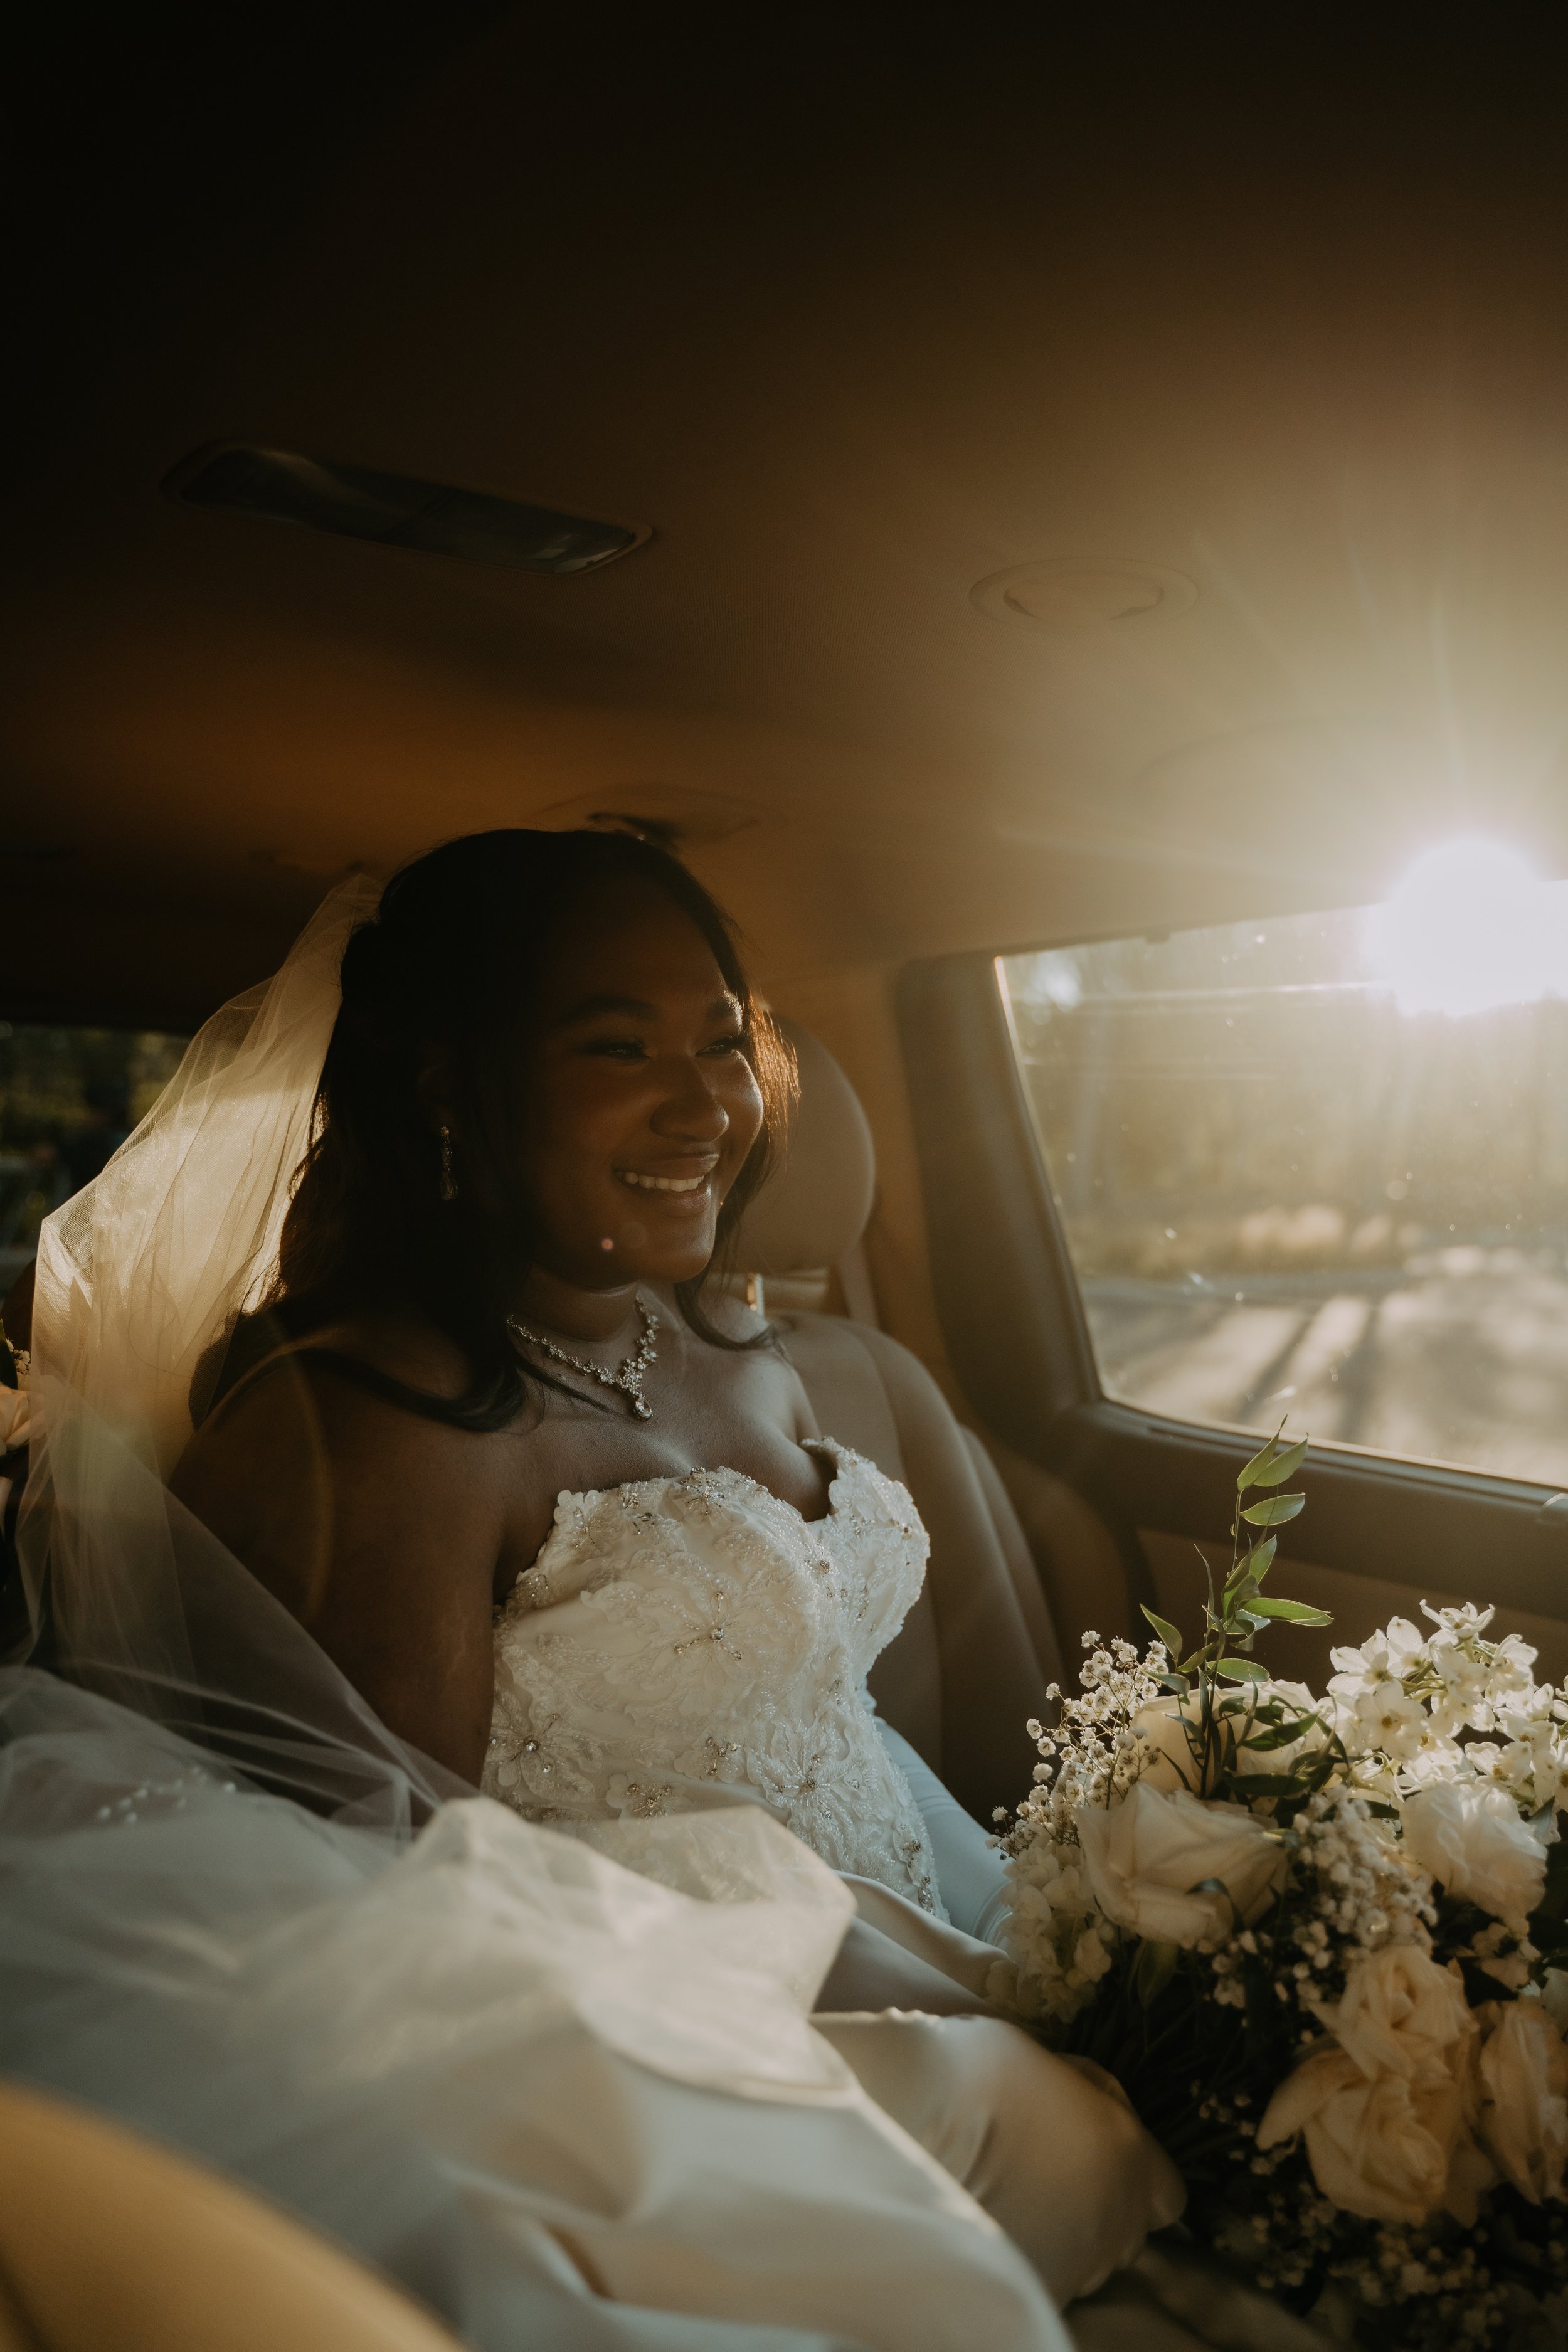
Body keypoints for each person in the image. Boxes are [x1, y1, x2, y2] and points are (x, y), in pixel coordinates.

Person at [1, 832, 1180, 2350]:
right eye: (618, 1046)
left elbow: (875, 1737)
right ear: (450, 1086)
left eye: (719, 1040)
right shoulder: (381, 1430)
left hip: (919, 1918)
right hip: (641, 2026)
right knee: (1048, 2133)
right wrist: (900, 1987)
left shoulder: (779, 1365)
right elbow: (415, 1906)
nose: (704, 1101)